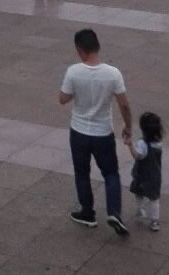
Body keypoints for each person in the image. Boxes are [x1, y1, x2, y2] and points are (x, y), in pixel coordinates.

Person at [59, 28, 132, 234]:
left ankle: (87, 213)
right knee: (110, 173)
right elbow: (124, 105)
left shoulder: (73, 72)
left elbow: (63, 99)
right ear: (97, 47)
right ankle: (114, 212)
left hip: (79, 132)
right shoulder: (113, 73)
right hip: (103, 133)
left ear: (80, 49)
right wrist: (128, 126)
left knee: (82, 172)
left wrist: (76, 91)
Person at [129, 112, 164, 232]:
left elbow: (137, 156)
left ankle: (140, 209)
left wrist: (130, 145)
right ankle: (155, 221)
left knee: (138, 192)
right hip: (155, 176)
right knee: (154, 198)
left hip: (141, 174)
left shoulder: (142, 144)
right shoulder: (158, 142)